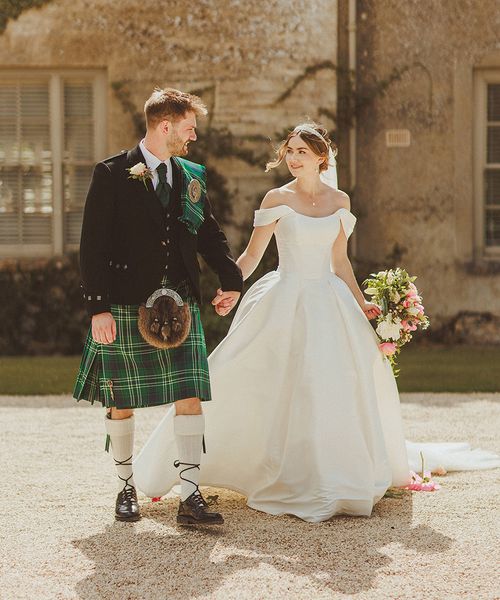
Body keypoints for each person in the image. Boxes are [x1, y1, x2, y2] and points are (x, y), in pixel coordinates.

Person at [134, 123, 500, 523]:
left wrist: (362, 304)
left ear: (321, 158)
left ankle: (330, 471)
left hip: (329, 300)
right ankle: (220, 465)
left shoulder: (339, 200)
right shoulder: (277, 197)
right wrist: (231, 286)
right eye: (289, 151)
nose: (292, 159)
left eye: (301, 153)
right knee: (246, 375)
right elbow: (253, 255)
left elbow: (339, 260)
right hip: (284, 298)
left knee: (329, 385)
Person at [73, 88, 242, 525]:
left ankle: (189, 495)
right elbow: (92, 246)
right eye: (189, 128)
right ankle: (125, 487)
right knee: (121, 399)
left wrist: (232, 280)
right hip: (127, 304)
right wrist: (98, 308)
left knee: (190, 395)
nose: (194, 137)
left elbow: (208, 233)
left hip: (180, 303)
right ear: (165, 126)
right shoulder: (112, 173)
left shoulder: (190, 175)